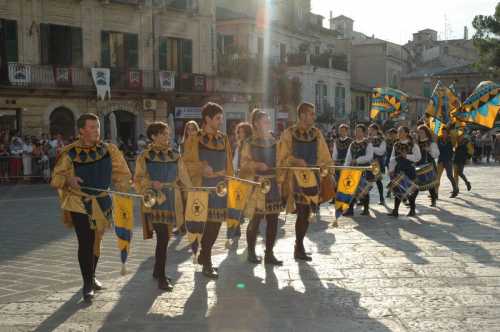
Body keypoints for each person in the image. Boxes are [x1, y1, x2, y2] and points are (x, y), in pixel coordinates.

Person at [51, 113, 131, 302]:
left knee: (96, 241)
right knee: (85, 242)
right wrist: (69, 180)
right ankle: (87, 284)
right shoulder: (69, 153)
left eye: (98, 126)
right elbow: (55, 178)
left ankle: (92, 275)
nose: (97, 130)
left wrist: (123, 190)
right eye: (93, 127)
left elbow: (123, 174)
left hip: (103, 202)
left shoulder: (109, 149)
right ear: (81, 130)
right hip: (79, 202)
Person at [134, 122, 192, 291]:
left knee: (165, 236)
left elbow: (184, 176)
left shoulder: (175, 155)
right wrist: (151, 183)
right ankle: (161, 276)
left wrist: (193, 192)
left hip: (172, 200)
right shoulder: (144, 156)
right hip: (155, 200)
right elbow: (137, 179)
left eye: (168, 133)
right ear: (153, 136)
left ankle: (157, 270)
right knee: (163, 238)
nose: (167, 136)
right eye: (164, 134)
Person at [182, 102, 234, 278]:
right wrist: (201, 168)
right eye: (218, 118)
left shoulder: (223, 138)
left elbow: (228, 163)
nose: (221, 121)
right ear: (207, 119)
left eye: (221, 118)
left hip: (220, 188)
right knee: (203, 227)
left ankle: (205, 257)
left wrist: (230, 182)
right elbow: (185, 165)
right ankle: (206, 260)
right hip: (201, 189)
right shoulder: (194, 138)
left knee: (216, 225)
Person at [278, 102, 334, 261]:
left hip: (313, 179)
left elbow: (324, 155)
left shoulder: (316, 133)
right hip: (296, 180)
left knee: (307, 213)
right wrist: (295, 160)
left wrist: (328, 171)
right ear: (302, 115)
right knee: (302, 211)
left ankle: (299, 244)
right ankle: (299, 246)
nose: (314, 117)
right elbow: (282, 157)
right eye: (311, 114)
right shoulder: (288, 133)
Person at [240, 109, 283, 265]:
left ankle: (269, 253)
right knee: (255, 219)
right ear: (256, 123)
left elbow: (279, 162)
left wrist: (280, 180)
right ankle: (251, 251)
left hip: (272, 184)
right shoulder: (248, 142)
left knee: (273, 220)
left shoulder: (274, 141)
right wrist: (257, 165)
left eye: (268, 120)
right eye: (265, 121)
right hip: (256, 184)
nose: (268, 123)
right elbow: (243, 164)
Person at [388, 126, 421, 217]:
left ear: (406, 133)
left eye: (401, 132)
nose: (399, 134)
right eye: (398, 132)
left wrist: (407, 156)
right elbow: (392, 158)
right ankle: (395, 210)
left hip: (409, 169)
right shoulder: (396, 144)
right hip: (399, 169)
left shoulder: (413, 144)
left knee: (410, 190)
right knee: (397, 190)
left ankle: (412, 209)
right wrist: (391, 169)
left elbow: (418, 157)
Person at [344, 124, 374, 216]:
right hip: (353, 170)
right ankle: (350, 209)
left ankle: (366, 209)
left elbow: (369, 157)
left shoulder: (368, 143)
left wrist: (357, 160)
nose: (357, 133)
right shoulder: (352, 144)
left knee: (364, 190)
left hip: (364, 170)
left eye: (359, 131)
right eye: (356, 131)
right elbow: (348, 158)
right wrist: (345, 168)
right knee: (351, 189)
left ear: (364, 133)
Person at [416, 125, 440, 207]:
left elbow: (436, 154)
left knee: (430, 183)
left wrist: (429, 150)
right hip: (418, 164)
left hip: (428, 164)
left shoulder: (431, 142)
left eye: (422, 132)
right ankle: (412, 202)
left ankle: (433, 199)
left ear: (426, 132)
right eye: (419, 132)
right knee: (416, 183)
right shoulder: (417, 143)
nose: (420, 134)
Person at [436, 127, 459, 198]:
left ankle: (455, 190)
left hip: (448, 160)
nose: (443, 134)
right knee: (437, 177)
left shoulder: (451, 139)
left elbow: (455, 144)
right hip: (440, 160)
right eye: (442, 132)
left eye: (445, 132)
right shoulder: (439, 139)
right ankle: (435, 193)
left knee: (449, 176)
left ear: (448, 133)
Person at [368, 123, 386, 205]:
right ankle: (363, 198)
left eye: (371, 130)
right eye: (369, 130)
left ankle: (382, 198)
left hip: (377, 163)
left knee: (378, 181)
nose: (370, 132)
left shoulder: (381, 139)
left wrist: (371, 148)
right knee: (368, 181)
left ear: (375, 130)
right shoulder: (367, 139)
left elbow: (381, 151)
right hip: (368, 163)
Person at [384, 128, 397, 198]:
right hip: (389, 161)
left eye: (393, 134)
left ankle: (391, 191)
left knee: (395, 177)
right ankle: (391, 191)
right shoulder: (387, 141)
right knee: (392, 177)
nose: (392, 136)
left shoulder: (398, 141)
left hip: (396, 162)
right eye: (390, 134)